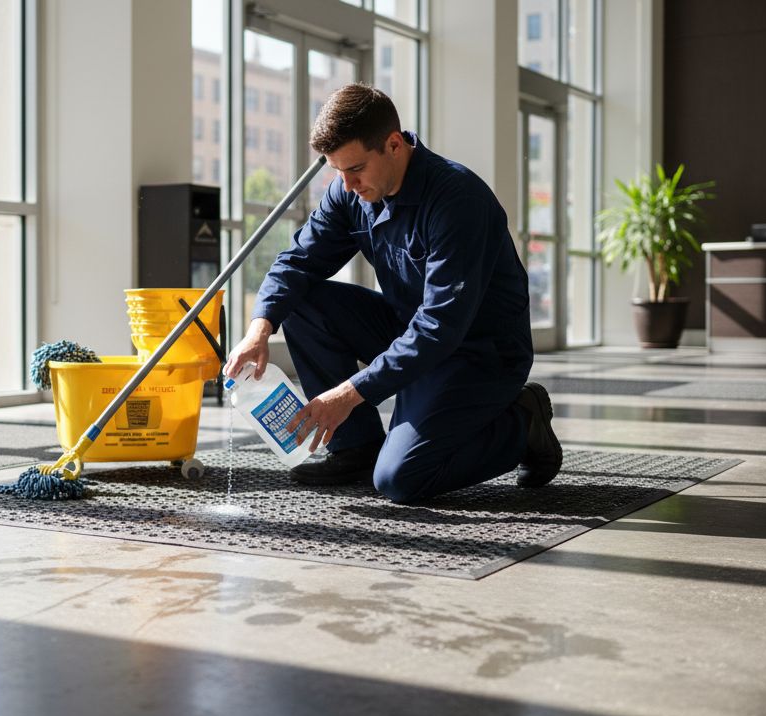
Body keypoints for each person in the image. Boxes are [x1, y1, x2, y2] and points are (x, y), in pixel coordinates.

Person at [222, 84, 561, 503]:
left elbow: (440, 328)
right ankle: (356, 447)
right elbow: (297, 262)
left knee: (402, 479)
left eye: (356, 169)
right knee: (302, 301)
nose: (347, 185)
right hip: (409, 331)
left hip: (479, 353)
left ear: (394, 145)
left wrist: (348, 393)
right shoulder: (351, 192)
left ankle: (523, 424)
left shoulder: (457, 201)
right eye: (337, 171)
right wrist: (259, 328)